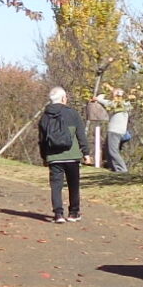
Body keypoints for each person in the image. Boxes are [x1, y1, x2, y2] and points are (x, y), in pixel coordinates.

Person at [37, 87, 86, 222]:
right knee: (73, 185)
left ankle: (58, 214)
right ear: (64, 98)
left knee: (56, 186)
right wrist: (86, 153)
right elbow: (80, 134)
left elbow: (42, 140)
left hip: (53, 156)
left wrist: (44, 157)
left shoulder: (45, 116)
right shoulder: (72, 113)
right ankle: (73, 213)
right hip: (72, 155)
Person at [105, 96, 133, 173]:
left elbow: (109, 103)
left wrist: (98, 99)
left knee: (113, 151)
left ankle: (122, 169)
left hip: (115, 131)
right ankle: (113, 168)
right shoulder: (124, 105)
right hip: (116, 131)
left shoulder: (122, 104)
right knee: (109, 150)